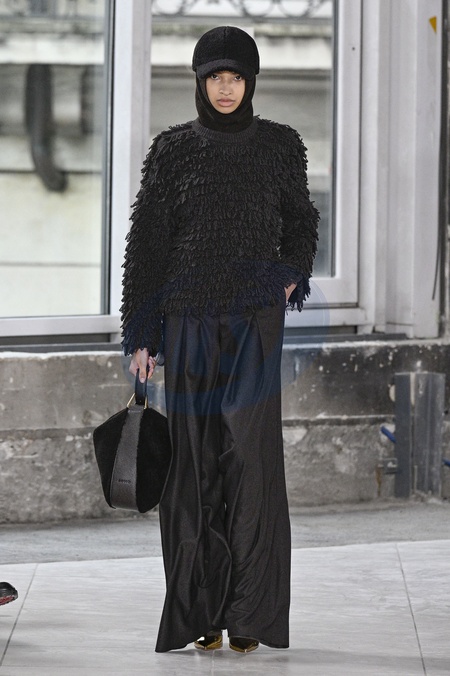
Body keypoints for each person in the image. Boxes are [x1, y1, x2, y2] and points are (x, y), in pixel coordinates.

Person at [121, 26, 319, 654]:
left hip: (254, 319)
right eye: (215, 77)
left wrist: (290, 275)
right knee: (193, 464)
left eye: (236, 77)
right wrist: (141, 333)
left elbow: (302, 221)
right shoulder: (173, 149)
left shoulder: (281, 146)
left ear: (251, 81)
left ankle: (249, 615)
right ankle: (202, 613)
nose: (226, 88)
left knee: (251, 463)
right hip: (187, 320)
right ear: (200, 82)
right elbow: (147, 244)